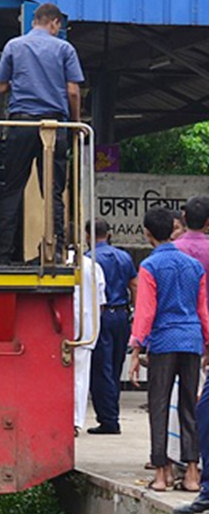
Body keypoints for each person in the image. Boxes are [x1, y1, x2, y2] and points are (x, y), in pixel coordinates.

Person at [0, 2, 85, 265]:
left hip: (21, 125)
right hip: (53, 126)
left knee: (13, 188)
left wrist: (21, 83)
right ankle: (55, 250)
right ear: (55, 22)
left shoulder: (14, 46)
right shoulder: (64, 49)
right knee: (53, 191)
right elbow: (73, 91)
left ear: (35, 21)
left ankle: (3, 255)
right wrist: (75, 123)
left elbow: (0, 87)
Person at [128, 207, 209, 493]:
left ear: (147, 233)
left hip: (163, 342)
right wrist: (207, 342)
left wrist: (136, 347)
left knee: (159, 406)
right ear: (174, 230)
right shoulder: (194, 266)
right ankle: (192, 474)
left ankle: (162, 474)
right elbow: (202, 310)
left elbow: (145, 312)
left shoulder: (150, 266)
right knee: (189, 407)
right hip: (191, 340)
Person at [87, 219, 138, 435]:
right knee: (116, 367)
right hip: (122, 315)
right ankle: (112, 412)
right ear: (108, 233)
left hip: (102, 315)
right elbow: (134, 285)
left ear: (88, 235)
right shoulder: (124, 256)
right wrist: (134, 311)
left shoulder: (89, 259)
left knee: (101, 369)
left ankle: (109, 420)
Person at [74, 251, 106, 435]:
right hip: (86, 327)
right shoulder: (93, 266)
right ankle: (75, 421)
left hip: (61, 325)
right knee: (80, 377)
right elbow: (101, 302)